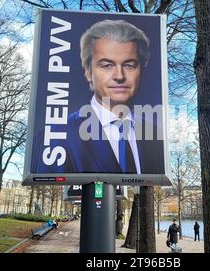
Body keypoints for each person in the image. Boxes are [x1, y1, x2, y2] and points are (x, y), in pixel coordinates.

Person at [38, 20, 164, 175]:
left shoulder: (154, 135)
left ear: (141, 69)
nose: (119, 76)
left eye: (129, 65)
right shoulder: (57, 136)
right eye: (107, 65)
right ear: (88, 72)